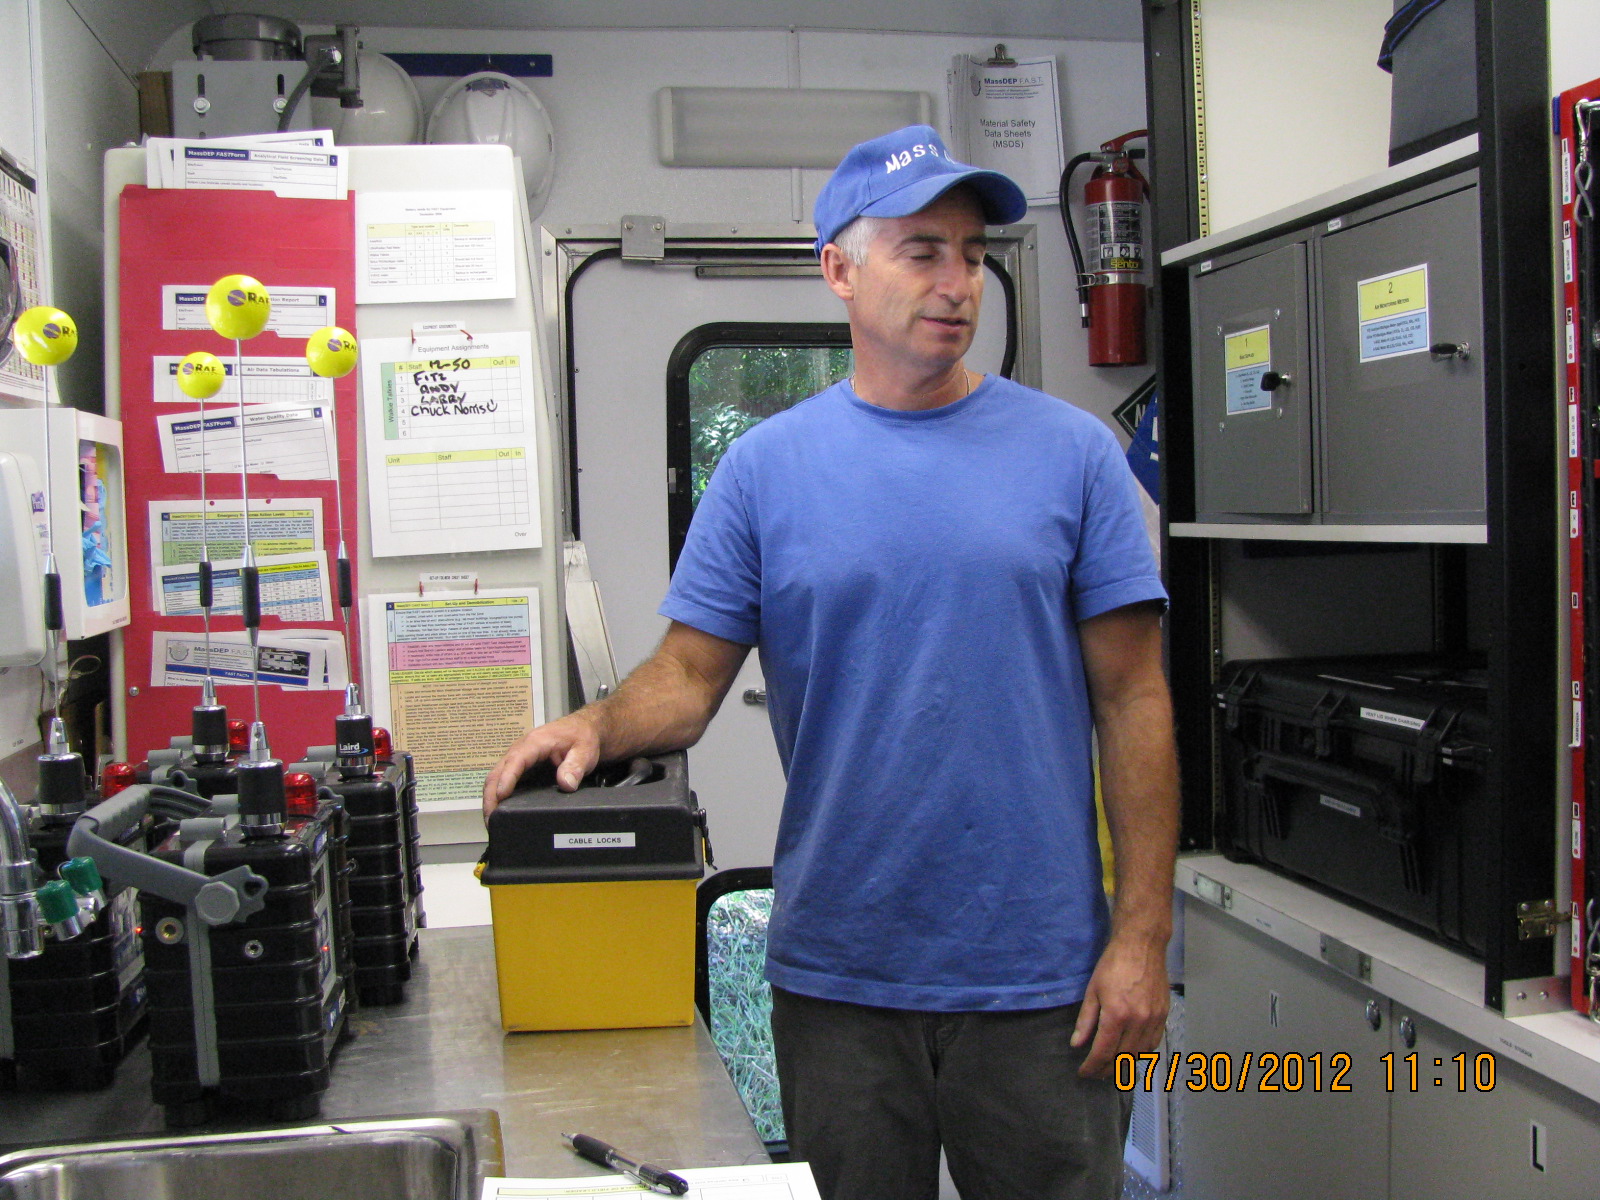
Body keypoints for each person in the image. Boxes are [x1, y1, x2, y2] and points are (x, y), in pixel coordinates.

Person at [484, 124, 1179, 1200]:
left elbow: (1134, 698)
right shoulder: (764, 472)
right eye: (920, 250)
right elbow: (686, 677)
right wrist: (594, 725)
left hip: (1042, 983)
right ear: (839, 270)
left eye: (970, 251)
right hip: (841, 980)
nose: (956, 282)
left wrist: (1141, 938)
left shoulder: (1072, 455)